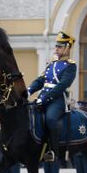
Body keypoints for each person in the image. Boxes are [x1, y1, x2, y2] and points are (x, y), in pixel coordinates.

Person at [27, 32, 77, 163]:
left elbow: (62, 85)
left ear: (67, 48)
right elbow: (40, 80)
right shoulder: (52, 64)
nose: (56, 49)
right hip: (43, 97)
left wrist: (44, 99)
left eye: (60, 46)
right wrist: (28, 91)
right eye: (56, 46)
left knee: (50, 119)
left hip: (57, 100)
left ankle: (54, 151)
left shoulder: (71, 66)